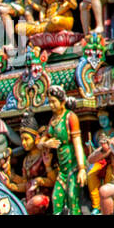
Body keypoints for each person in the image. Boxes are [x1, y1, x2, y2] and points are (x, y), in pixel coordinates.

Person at [43, 87, 87, 215]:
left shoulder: (70, 117)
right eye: (49, 102)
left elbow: (77, 143)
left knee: (72, 197)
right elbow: (39, 142)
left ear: (62, 102)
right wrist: (46, 143)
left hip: (74, 165)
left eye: (53, 102)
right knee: (56, 198)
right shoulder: (52, 120)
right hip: (62, 170)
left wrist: (82, 168)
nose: (51, 105)